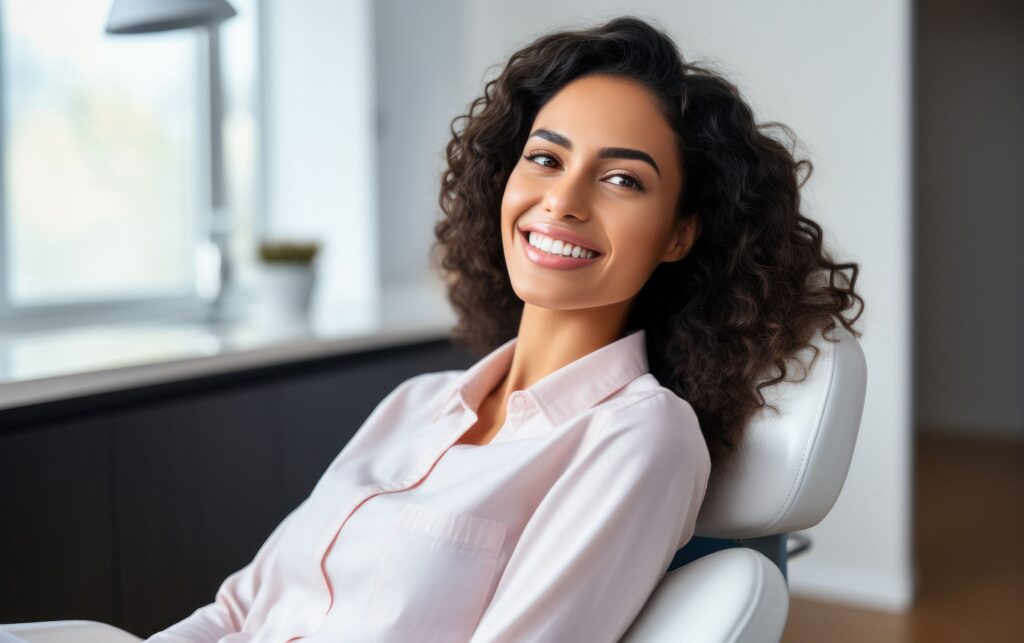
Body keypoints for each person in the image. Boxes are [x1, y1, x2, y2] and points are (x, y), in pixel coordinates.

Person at [147, 15, 863, 643]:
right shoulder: (415, 403)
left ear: (679, 234)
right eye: (545, 159)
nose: (562, 201)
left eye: (622, 180)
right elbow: (238, 607)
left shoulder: (640, 438)